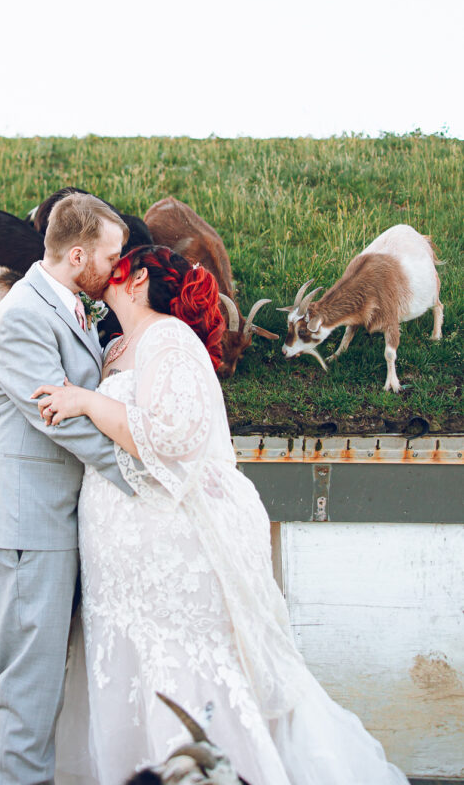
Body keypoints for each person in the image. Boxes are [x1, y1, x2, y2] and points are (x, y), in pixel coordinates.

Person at [33, 245, 410, 785]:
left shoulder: (169, 337)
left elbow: (175, 436)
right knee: (126, 664)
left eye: (117, 264)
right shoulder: (116, 346)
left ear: (137, 280)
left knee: (179, 666)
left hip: (169, 544)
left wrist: (88, 402)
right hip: (118, 553)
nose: (106, 271)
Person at [0, 193, 135, 785]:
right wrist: (141, 475)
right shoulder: (22, 317)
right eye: (110, 256)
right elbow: (62, 421)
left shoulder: (64, 304)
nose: (117, 267)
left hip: (45, 522)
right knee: (30, 698)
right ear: (78, 255)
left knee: (18, 687)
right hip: (26, 528)